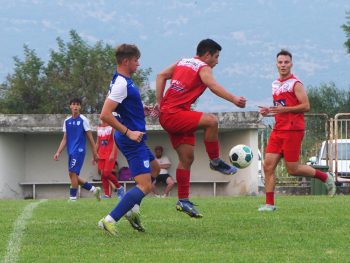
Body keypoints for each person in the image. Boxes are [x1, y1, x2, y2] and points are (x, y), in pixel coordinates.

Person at [156, 39, 246, 218]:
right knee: (211, 121)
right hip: (175, 115)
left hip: (170, 114)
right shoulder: (203, 67)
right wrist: (234, 99)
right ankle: (215, 161)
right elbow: (212, 85)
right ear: (207, 55)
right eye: (216, 57)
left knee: (187, 158)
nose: (217, 61)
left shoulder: (183, 61)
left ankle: (183, 200)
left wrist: (160, 103)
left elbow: (160, 75)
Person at [257, 49, 336, 212]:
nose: (283, 65)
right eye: (280, 62)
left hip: (293, 130)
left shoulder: (296, 83)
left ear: (291, 64)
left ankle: (325, 177)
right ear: (276, 64)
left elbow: (306, 106)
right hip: (278, 130)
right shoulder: (275, 84)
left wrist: (283, 111)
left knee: (292, 169)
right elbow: (280, 107)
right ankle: (269, 205)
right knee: (268, 166)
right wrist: (268, 111)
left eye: (286, 62)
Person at [98, 43, 160, 236]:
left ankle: (133, 210)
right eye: (135, 60)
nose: (138, 64)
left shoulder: (124, 81)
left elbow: (123, 107)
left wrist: (143, 110)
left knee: (155, 168)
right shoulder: (121, 84)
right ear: (126, 61)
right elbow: (105, 114)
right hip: (131, 139)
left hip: (136, 138)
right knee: (145, 185)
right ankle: (109, 220)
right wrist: (129, 133)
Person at [53, 98, 101, 202]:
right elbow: (65, 138)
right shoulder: (67, 121)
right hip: (70, 151)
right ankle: (93, 189)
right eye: (73, 104)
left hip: (79, 151)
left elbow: (90, 138)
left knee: (73, 173)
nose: (75, 106)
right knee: (72, 175)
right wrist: (58, 152)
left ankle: (73, 199)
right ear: (70, 106)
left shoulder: (83, 120)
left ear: (80, 107)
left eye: (77, 104)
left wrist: (95, 153)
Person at [95, 120, 125, 199]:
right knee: (102, 175)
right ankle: (107, 195)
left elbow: (115, 141)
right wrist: (95, 154)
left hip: (110, 153)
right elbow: (98, 142)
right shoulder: (99, 127)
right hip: (101, 153)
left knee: (106, 173)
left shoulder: (112, 126)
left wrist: (113, 153)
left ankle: (119, 188)